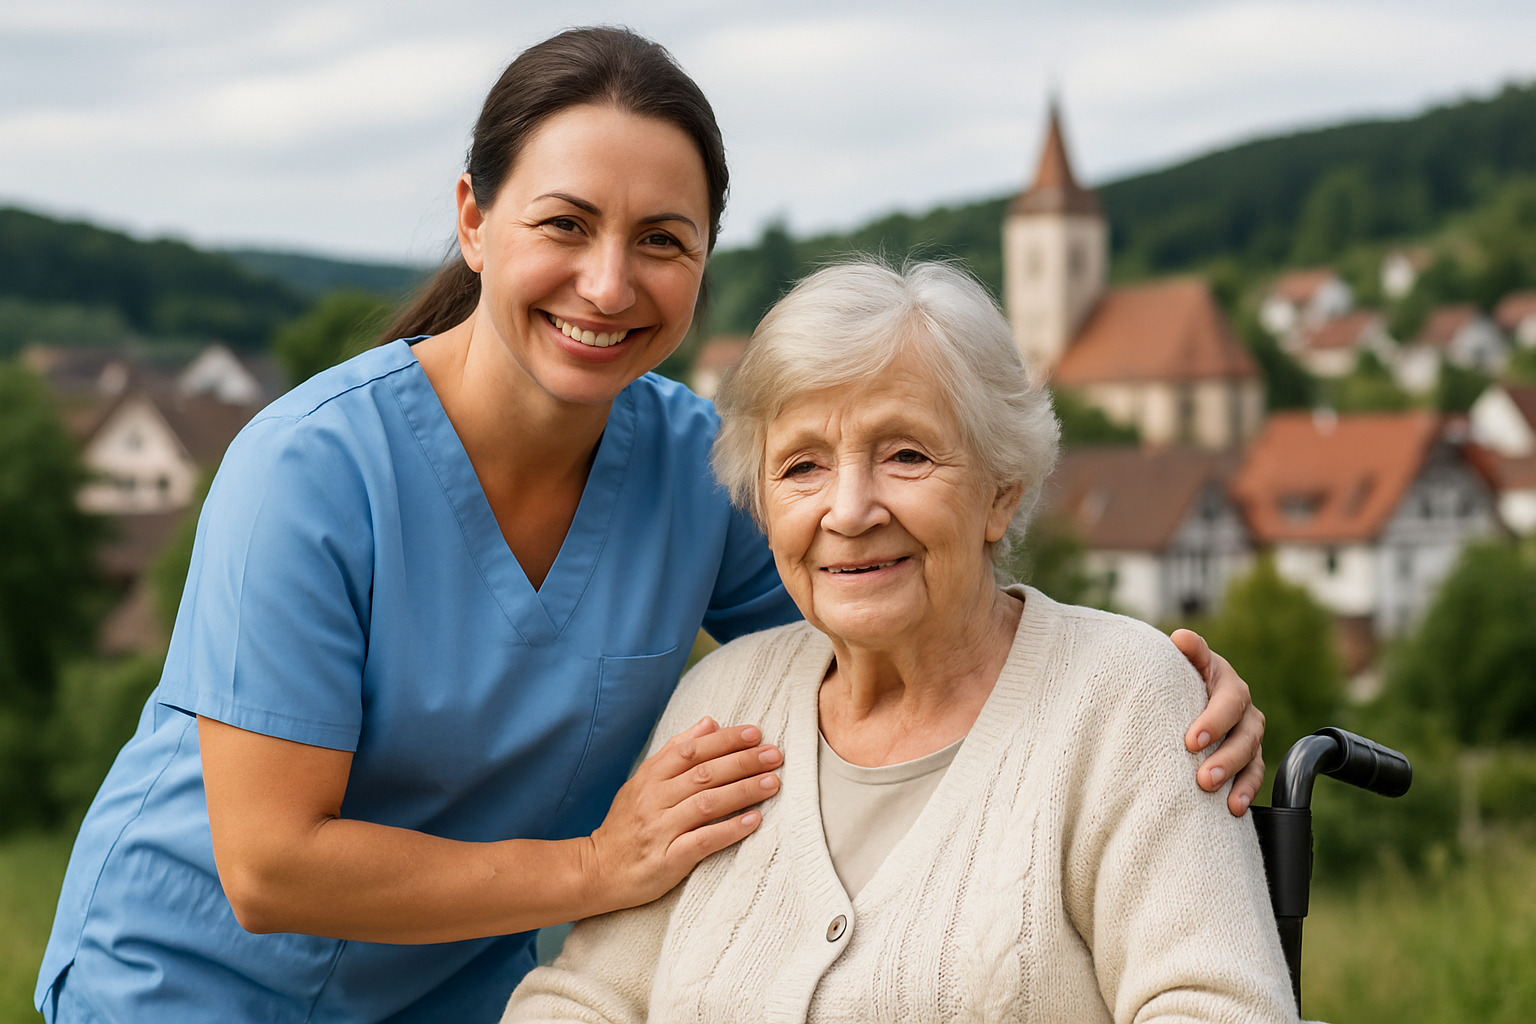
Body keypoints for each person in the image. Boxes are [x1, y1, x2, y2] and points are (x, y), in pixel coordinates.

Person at [37, 28, 1265, 1024]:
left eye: (661, 241)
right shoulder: (307, 472)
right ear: (475, 220)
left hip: (462, 991)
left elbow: (902, 622)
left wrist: (1153, 699)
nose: (610, 283)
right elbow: (269, 867)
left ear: (705, 262)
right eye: (565, 224)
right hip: (193, 988)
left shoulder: (699, 470)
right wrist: (593, 868)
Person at [502, 260, 1296, 1023]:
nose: (849, 510)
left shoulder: (1123, 699)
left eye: (906, 455)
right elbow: (585, 999)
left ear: (1001, 492)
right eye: (803, 466)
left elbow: (1218, 1006)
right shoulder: (721, 700)